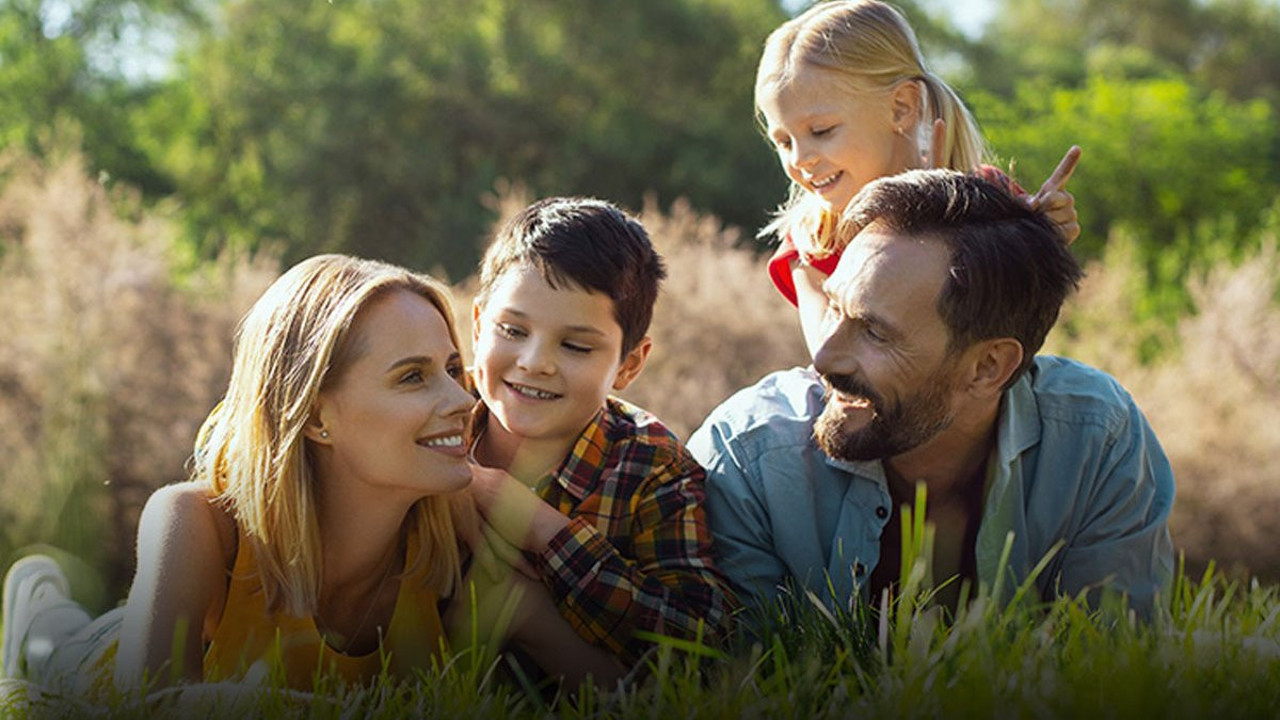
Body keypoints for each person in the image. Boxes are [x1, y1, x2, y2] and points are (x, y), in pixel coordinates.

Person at [688, 170, 1175, 625]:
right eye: (833, 306)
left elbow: (1113, 668)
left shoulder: (1097, 441)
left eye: (875, 332)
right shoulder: (743, 458)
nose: (825, 358)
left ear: (989, 367)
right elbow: (736, 682)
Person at [3, 255, 480, 696]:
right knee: (51, 654)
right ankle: (41, 616)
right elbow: (150, 704)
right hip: (87, 673)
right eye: (412, 376)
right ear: (315, 418)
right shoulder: (197, 522)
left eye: (453, 369)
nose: (463, 401)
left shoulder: (448, 538)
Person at [457, 197, 733, 680]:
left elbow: (702, 647)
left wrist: (539, 526)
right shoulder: (436, 416)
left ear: (629, 364)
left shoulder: (652, 465)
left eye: (576, 346)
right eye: (512, 330)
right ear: (479, 327)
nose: (534, 362)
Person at [755, 0, 1081, 355]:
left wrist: (1038, 246)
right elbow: (834, 359)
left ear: (902, 107)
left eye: (821, 131)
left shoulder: (988, 201)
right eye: (784, 142)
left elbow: (1018, 332)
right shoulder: (814, 243)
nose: (800, 159)